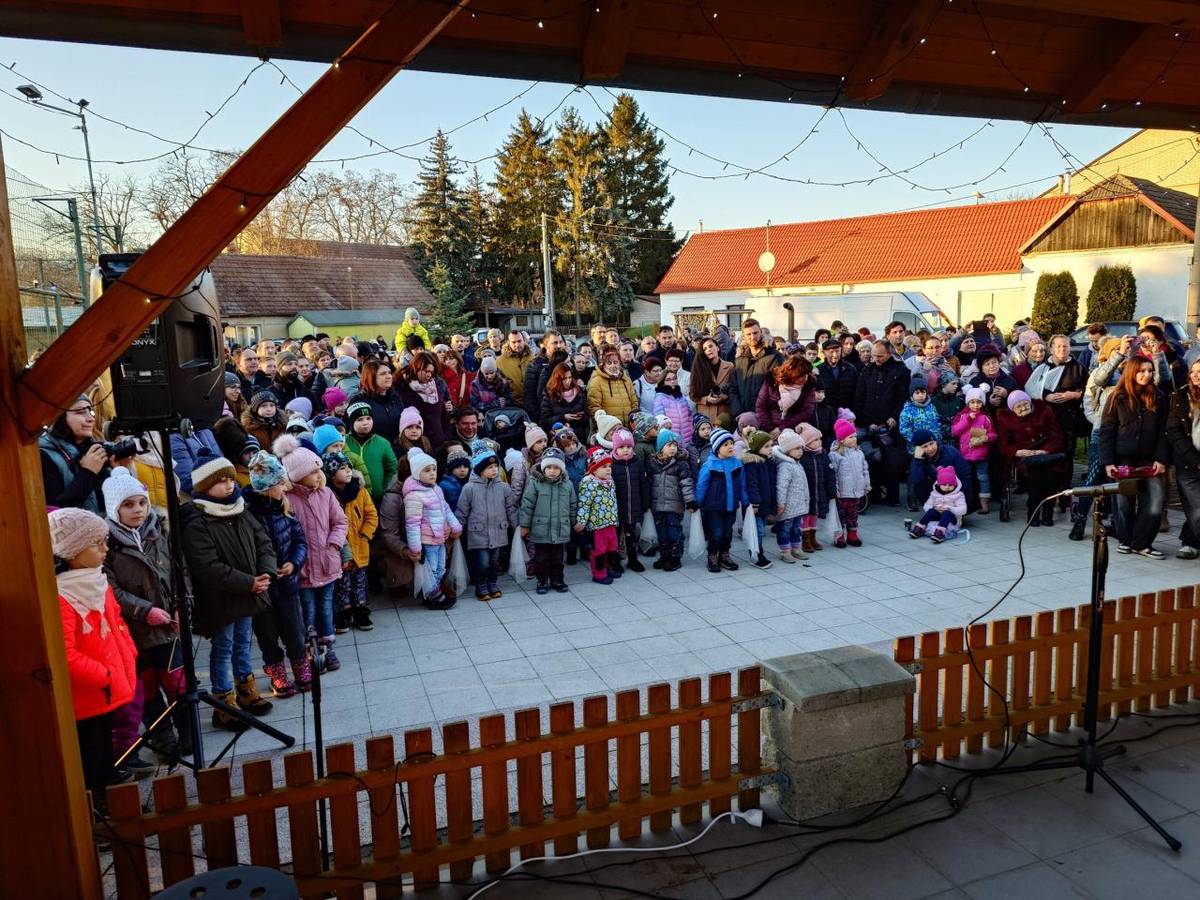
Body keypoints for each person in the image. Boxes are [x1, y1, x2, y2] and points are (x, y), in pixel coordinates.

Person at [49, 507, 138, 811]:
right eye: (96, 543)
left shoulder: (96, 581)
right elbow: (64, 652)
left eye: (104, 541)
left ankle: (109, 787)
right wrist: (103, 674)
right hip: (89, 691)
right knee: (91, 750)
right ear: (71, 550)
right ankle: (98, 804)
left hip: (105, 684)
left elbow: (117, 622)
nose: (105, 549)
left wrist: (128, 652)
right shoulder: (62, 596)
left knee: (104, 742)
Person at [178, 456, 277, 730]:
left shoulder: (241, 509)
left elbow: (263, 542)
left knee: (243, 643)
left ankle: (246, 691)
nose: (228, 485)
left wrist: (266, 572)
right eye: (220, 481)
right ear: (204, 486)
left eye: (230, 479)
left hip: (249, 592)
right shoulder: (197, 520)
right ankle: (224, 703)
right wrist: (248, 583)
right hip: (221, 599)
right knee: (223, 647)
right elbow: (207, 566)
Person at [101, 468, 187, 770]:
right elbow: (111, 589)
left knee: (177, 681)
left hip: (167, 627)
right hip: (135, 630)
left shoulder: (158, 531)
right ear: (115, 509)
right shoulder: (107, 545)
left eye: (141, 503)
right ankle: (164, 740)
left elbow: (178, 571)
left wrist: (181, 605)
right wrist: (144, 610)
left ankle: (188, 733)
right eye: (128, 505)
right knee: (147, 688)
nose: (137, 510)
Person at [272, 435, 349, 669]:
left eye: (319, 470)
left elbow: (340, 521)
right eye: (313, 471)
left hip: (326, 563)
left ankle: (327, 646)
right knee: (307, 608)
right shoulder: (287, 499)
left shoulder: (326, 494)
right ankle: (309, 648)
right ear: (297, 475)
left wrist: (334, 544)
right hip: (302, 567)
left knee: (325, 607)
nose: (319, 475)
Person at [244, 451, 311, 697]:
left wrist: (293, 563)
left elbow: (300, 540)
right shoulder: (248, 514)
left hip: (287, 585)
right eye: (280, 484)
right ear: (267, 486)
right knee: (267, 634)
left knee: (295, 630)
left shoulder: (284, 508)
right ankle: (276, 672)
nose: (285, 488)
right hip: (262, 590)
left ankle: (301, 665)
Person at [1099, 358, 1169, 557]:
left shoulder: (1159, 397)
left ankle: (1142, 543)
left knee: (1155, 503)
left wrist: (1162, 458)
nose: (1147, 375)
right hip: (1123, 460)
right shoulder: (1117, 397)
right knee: (1123, 504)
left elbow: (1164, 431)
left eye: (1150, 370)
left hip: (1150, 460)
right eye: (1142, 371)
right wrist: (1108, 462)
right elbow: (1107, 431)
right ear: (1132, 372)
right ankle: (1126, 540)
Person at [40, 395, 127, 512]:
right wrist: (88, 473)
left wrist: (120, 472)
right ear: (59, 417)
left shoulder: (93, 450)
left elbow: (123, 506)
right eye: (80, 412)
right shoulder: (44, 456)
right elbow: (56, 512)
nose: (91, 418)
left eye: (91, 412)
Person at [456, 442, 518, 600]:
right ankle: (481, 585)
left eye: (496, 466)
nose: (494, 470)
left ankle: (492, 583)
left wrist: (516, 524)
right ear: (479, 469)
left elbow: (511, 507)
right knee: (482, 562)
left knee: (494, 562)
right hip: (478, 533)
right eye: (490, 467)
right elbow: (462, 511)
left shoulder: (503, 487)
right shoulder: (469, 488)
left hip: (498, 531)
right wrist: (457, 527)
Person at [402, 445, 462, 610]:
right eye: (427, 470)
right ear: (417, 473)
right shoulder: (414, 496)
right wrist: (415, 547)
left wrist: (455, 525)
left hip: (440, 537)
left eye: (434, 469)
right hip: (427, 540)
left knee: (441, 567)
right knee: (431, 568)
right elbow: (412, 524)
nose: (432, 473)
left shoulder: (437, 489)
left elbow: (446, 509)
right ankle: (432, 595)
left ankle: (435, 591)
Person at [854, 340, 910, 506]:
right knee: (871, 460)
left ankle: (892, 497)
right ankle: (875, 493)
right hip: (869, 422)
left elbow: (902, 397)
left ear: (889, 354)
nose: (876, 359)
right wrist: (861, 419)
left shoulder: (900, 370)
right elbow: (860, 396)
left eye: (880, 356)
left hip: (889, 424)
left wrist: (894, 416)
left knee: (891, 461)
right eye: (874, 356)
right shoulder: (867, 370)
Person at [997, 391, 1065, 527]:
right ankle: (1033, 514)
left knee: (1050, 477)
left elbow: (1056, 436)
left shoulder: (1044, 411)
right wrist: (1017, 452)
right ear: (1012, 409)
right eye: (1018, 407)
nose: (1023, 408)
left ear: (1030, 402)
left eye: (1025, 404)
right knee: (1035, 478)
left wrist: (1045, 450)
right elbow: (1003, 445)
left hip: (1046, 454)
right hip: (1025, 457)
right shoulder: (1006, 419)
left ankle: (1048, 514)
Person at [326, 452, 378, 629]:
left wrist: (365, 534)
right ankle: (344, 612)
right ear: (332, 474)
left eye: (349, 467)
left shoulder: (360, 491)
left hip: (360, 545)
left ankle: (361, 610)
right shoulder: (328, 495)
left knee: (360, 581)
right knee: (342, 583)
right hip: (339, 548)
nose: (348, 471)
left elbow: (371, 515)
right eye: (342, 468)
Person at [518, 446, 577, 594]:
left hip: (560, 528)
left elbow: (572, 505)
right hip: (541, 529)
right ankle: (542, 580)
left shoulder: (567, 485)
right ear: (543, 468)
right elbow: (527, 505)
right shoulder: (535, 483)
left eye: (556, 467)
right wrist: (524, 525)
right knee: (541, 558)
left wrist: (574, 522)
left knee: (558, 558)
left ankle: (557, 580)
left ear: (561, 469)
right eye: (549, 467)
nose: (552, 471)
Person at [696, 427, 748, 573]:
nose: (730, 446)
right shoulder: (709, 465)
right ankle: (712, 555)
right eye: (725, 445)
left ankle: (724, 555)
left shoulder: (737, 464)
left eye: (731, 443)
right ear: (717, 448)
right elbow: (701, 486)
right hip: (714, 507)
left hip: (731, 506)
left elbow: (742, 484)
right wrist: (697, 503)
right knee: (716, 532)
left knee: (727, 532)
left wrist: (745, 501)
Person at [646, 428, 695, 572]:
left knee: (674, 532)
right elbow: (648, 484)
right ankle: (664, 556)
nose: (673, 448)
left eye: (675, 445)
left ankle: (675, 558)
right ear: (661, 447)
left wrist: (690, 501)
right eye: (669, 445)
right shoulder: (652, 463)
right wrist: (646, 502)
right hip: (657, 506)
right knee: (661, 533)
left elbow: (686, 483)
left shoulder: (681, 464)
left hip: (674, 506)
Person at [1167, 358, 1200, 559]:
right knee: (1196, 507)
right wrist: (1195, 460)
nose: (1196, 375)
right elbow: (1173, 432)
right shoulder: (1180, 396)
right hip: (1188, 463)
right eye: (1193, 371)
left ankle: (1190, 542)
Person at [576, 447, 621, 584]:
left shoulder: (610, 481)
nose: (608, 470)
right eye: (603, 467)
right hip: (597, 525)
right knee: (599, 550)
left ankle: (609, 568)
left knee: (612, 548)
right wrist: (581, 521)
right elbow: (584, 504)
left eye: (609, 466)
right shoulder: (588, 483)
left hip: (611, 522)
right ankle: (599, 573)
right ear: (594, 469)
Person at [951, 385, 998, 513]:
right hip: (965, 454)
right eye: (972, 402)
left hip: (981, 455)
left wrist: (986, 438)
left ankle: (984, 502)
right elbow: (955, 431)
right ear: (968, 403)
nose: (976, 405)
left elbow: (994, 434)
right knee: (966, 477)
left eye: (979, 402)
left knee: (983, 478)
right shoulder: (962, 416)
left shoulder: (986, 418)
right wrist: (967, 419)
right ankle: (966, 500)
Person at [344, 401, 399, 509]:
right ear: (352, 422)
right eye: (360, 419)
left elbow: (393, 468)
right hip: (350, 499)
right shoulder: (343, 442)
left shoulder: (383, 443)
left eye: (368, 418)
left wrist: (384, 489)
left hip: (377, 500)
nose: (365, 423)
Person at [610, 428, 649, 573]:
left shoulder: (637, 462)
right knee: (615, 535)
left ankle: (633, 559)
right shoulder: (611, 464)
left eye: (628, 446)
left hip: (633, 506)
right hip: (617, 507)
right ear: (615, 448)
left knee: (632, 534)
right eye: (621, 447)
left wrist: (645, 503)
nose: (625, 450)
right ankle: (615, 560)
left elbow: (643, 483)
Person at [396, 351, 452, 448]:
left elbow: (444, 409)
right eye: (426, 371)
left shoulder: (437, 383)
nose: (429, 375)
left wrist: (447, 436)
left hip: (438, 438)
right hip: (416, 442)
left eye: (431, 372)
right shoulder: (401, 386)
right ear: (416, 368)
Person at [829, 418, 870, 548]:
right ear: (842, 440)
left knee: (853, 513)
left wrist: (866, 484)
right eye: (850, 437)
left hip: (856, 490)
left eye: (855, 436)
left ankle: (852, 534)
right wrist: (835, 488)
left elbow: (865, 470)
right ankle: (839, 535)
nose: (854, 439)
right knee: (840, 514)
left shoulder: (859, 453)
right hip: (842, 491)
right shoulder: (835, 455)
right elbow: (834, 474)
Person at [772, 428, 810, 563]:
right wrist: (781, 503)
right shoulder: (785, 466)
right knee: (785, 529)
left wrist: (806, 499)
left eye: (801, 448)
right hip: (788, 507)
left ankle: (796, 548)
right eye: (797, 448)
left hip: (798, 505)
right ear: (787, 450)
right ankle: (785, 551)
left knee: (796, 528)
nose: (800, 451)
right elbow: (781, 487)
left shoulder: (796, 464)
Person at [740, 430, 776, 570]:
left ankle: (758, 551)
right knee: (757, 531)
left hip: (765, 503)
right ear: (756, 448)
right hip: (756, 505)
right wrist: (754, 502)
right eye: (766, 446)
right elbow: (752, 484)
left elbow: (771, 483)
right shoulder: (752, 463)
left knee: (761, 530)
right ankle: (756, 554)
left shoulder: (767, 462)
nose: (770, 448)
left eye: (771, 445)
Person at [730, 319, 782, 417]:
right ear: (743, 336)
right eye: (748, 334)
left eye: (755, 333)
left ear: (761, 332)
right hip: (742, 416)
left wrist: (765, 415)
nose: (752, 337)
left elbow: (777, 389)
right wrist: (738, 413)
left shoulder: (774, 357)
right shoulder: (739, 360)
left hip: (766, 417)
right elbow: (733, 388)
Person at [756, 354, 817, 436]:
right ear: (791, 373)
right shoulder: (772, 381)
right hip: (768, 429)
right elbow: (761, 407)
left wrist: (782, 428)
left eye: (806, 374)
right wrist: (770, 429)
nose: (805, 378)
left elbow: (806, 412)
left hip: (793, 431)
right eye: (801, 375)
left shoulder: (808, 386)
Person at [353, 359, 406, 448]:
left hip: (397, 450)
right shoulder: (359, 401)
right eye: (383, 374)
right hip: (373, 450)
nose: (389, 376)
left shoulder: (396, 398)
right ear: (371, 377)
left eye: (389, 373)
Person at [909, 466, 968, 543]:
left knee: (946, 513)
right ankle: (920, 527)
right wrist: (935, 507)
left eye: (950, 485)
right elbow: (926, 506)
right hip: (937, 516)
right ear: (939, 484)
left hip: (952, 518)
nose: (947, 487)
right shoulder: (934, 494)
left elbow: (963, 509)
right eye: (944, 485)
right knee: (931, 511)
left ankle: (940, 533)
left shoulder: (959, 495)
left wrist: (949, 508)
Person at [587, 343, 639, 424]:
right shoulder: (596, 381)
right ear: (604, 364)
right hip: (609, 427)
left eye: (615, 362)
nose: (613, 366)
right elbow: (594, 407)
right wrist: (607, 425)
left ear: (619, 363)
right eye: (609, 363)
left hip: (629, 426)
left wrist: (633, 419)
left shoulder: (626, 380)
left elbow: (634, 402)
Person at [523, 330, 567, 419]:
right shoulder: (535, 364)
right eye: (555, 343)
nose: (559, 346)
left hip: (565, 412)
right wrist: (538, 418)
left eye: (561, 342)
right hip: (545, 414)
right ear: (545, 345)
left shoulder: (567, 362)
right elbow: (530, 395)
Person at [689, 337, 734, 422]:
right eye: (705, 349)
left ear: (717, 348)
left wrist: (723, 397)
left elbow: (734, 390)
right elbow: (692, 395)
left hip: (724, 415)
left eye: (710, 346)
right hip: (705, 416)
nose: (708, 350)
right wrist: (707, 399)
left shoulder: (730, 367)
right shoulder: (699, 369)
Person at [541, 362, 589, 440]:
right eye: (564, 378)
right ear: (558, 379)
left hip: (579, 437)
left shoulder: (579, 391)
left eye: (570, 377)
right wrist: (563, 417)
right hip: (560, 438)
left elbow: (586, 415)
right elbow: (545, 420)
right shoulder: (550, 394)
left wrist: (581, 417)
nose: (568, 381)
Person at [898, 374, 942, 456]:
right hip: (917, 448)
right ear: (911, 395)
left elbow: (937, 423)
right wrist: (916, 440)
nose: (920, 395)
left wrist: (936, 438)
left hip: (932, 446)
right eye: (917, 393)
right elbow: (904, 429)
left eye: (923, 392)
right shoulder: (907, 410)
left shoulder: (931, 407)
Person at [653, 367, 694, 446]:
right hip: (671, 442)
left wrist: (691, 430)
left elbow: (689, 417)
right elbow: (660, 422)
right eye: (668, 380)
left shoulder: (681, 397)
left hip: (688, 439)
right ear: (663, 382)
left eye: (674, 378)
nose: (672, 381)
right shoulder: (660, 398)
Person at [817, 339, 858, 413]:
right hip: (826, 412)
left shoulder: (850, 369)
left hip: (847, 412)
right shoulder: (818, 371)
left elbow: (856, 392)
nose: (835, 355)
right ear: (824, 353)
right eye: (831, 352)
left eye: (837, 351)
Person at [497, 330, 534, 408]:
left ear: (523, 341)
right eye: (513, 342)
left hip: (532, 402)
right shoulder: (500, 361)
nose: (517, 344)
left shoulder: (532, 357)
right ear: (509, 343)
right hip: (511, 403)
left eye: (519, 341)